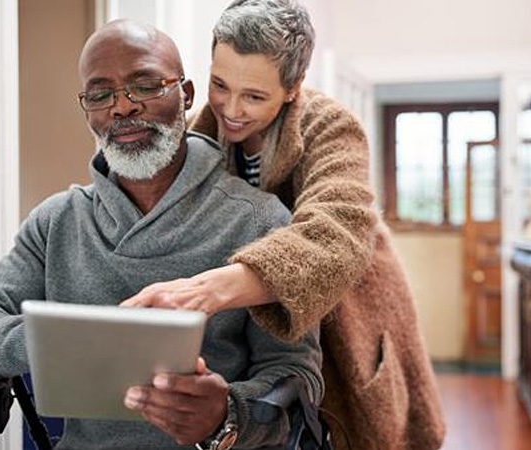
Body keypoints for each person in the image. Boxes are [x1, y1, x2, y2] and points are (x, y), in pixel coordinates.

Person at [0, 20, 324, 450]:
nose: (122, 107)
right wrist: (64, 343)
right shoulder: (58, 220)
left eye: (145, 86)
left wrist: (227, 415)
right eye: (101, 94)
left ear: (187, 95)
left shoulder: (259, 220)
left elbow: (297, 377)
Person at [121, 1, 446, 449]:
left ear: (293, 87)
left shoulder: (331, 127)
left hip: (349, 321)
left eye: (254, 96)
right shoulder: (199, 136)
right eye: (220, 84)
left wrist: (209, 290)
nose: (231, 109)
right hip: (268, 347)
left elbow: (338, 233)